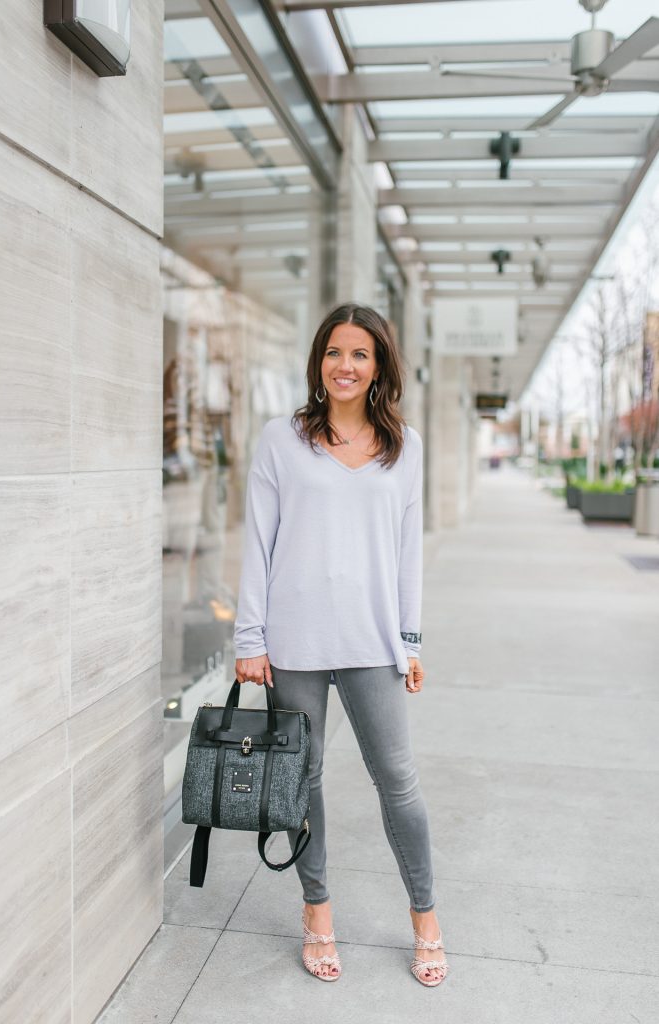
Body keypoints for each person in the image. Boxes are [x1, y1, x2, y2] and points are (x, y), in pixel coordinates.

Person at [233, 303, 446, 988]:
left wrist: (409, 641)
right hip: (293, 644)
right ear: (318, 362)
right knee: (307, 779)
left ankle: (426, 916)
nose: (345, 366)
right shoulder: (280, 440)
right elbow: (257, 544)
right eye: (334, 352)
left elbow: (408, 552)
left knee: (399, 783)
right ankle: (317, 912)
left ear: (379, 364)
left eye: (359, 354)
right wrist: (250, 637)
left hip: (372, 642)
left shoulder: (404, 447)